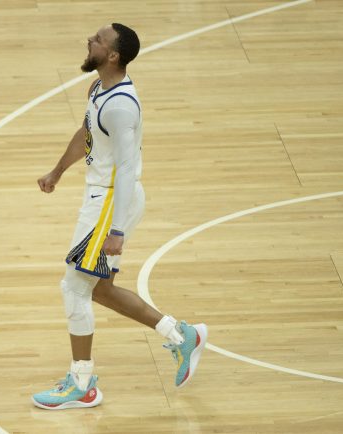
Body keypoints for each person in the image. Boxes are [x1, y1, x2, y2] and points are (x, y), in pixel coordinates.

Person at [32, 23, 208, 411]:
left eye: (98, 40)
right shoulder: (97, 89)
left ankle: (82, 385)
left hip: (111, 204)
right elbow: (87, 134)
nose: (89, 40)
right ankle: (182, 336)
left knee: (74, 288)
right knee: (100, 289)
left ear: (113, 55)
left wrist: (117, 230)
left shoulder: (121, 106)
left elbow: (127, 169)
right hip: (104, 199)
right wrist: (57, 171)